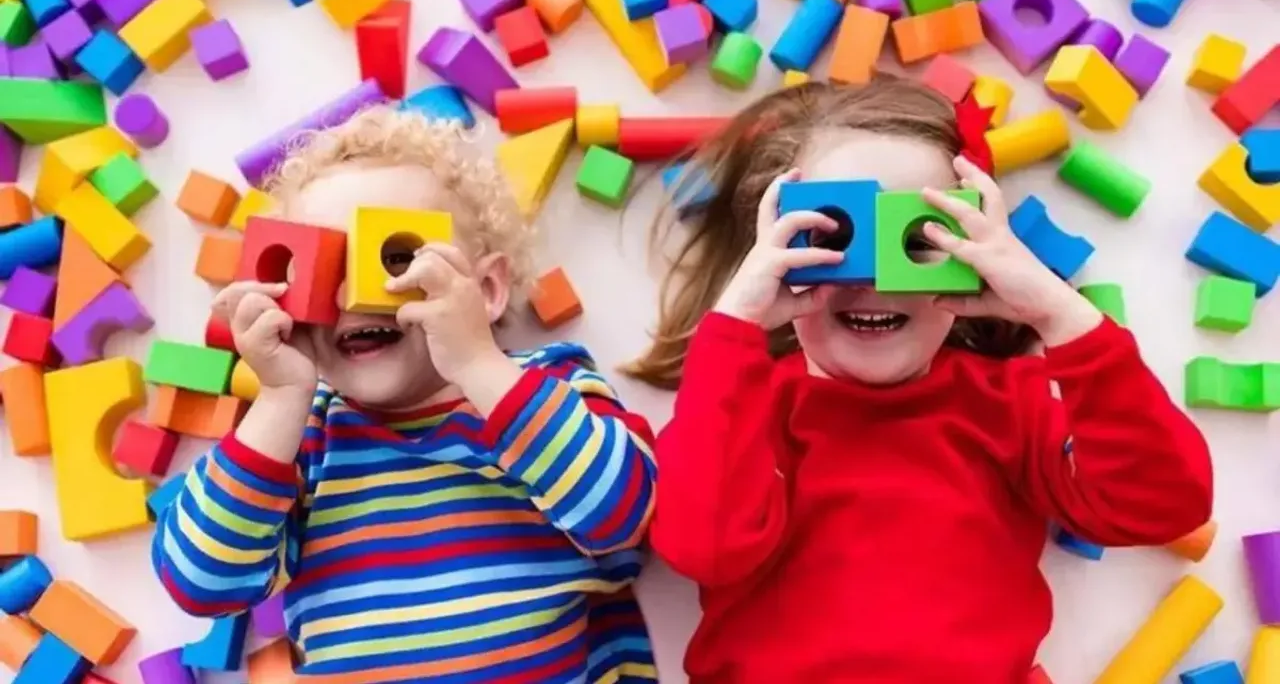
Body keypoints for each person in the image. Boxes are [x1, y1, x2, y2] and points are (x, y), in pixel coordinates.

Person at [626, 75, 1212, 683]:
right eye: (835, 239)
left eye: (916, 240)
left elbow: (1165, 505)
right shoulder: (745, 404)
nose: (876, 280)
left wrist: (1059, 315)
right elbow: (704, 549)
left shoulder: (1009, 403)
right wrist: (733, 330)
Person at [152, 107, 659, 683]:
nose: (353, 296)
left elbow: (624, 515)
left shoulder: (545, 389)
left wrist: (477, 363)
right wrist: (279, 397)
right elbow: (201, 584)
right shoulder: (300, 439)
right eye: (321, 269)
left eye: (395, 258)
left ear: (486, 291)